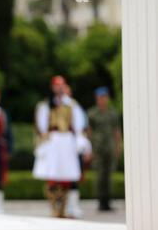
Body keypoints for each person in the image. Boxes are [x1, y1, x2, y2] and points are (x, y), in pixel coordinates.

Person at [33, 76, 82, 218]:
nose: (59, 88)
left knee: (66, 174)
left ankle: (64, 208)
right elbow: (42, 125)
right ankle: (54, 207)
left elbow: (78, 124)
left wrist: (79, 140)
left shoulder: (72, 105)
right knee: (53, 174)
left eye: (62, 85)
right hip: (54, 141)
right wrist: (44, 138)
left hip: (66, 140)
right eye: (57, 85)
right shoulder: (46, 104)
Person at [87, 87, 122, 212]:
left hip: (110, 148)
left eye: (105, 97)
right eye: (100, 97)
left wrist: (118, 147)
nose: (102, 100)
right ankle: (101, 201)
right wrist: (90, 149)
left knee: (109, 176)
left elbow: (117, 131)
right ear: (97, 98)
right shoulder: (92, 113)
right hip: (98, 149)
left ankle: (108, 201)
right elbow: (89, 132)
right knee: (100, 176)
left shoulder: (112, 113)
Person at [63, 84, 92, 219]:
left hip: (76, 147)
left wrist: (87, 147)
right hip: (63, 148)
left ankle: (73, 206)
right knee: (63, 179)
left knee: (75, 178)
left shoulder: (76, 107)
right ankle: (63, 206)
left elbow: (82, 130)